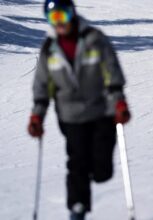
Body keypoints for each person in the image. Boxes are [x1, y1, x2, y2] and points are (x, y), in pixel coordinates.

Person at [27, 0, 131, 219]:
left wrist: (119, 101)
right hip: (70, 116)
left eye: (62, 16)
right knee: (77, 161)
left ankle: (99, 171)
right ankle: (77, 206)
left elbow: (112, 72)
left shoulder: (94, 39)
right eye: (53, 18)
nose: (59, 23)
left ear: (72, 14)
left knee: (102, 170)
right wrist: (37, 115)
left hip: (102, 111)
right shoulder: (49, 49)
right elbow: (42, 87)